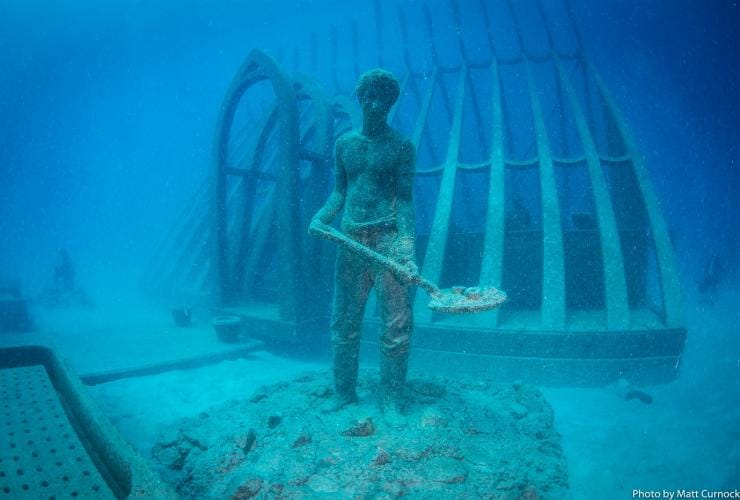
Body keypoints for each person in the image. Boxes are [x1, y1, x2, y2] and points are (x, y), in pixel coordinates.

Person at [309, 69, 416, 414]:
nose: (374, 104)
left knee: (397, 325)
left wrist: (406, 248)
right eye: (368, 96)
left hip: (387, 241)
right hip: (351, 241)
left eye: (382, 98)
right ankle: (344, 393)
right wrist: (322, 217)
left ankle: (392, 401)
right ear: (359, 99)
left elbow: (406, 200)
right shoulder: (345, 146)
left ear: (391, 102)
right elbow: (340, 191)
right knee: (344, 321)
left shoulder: (401, 146)